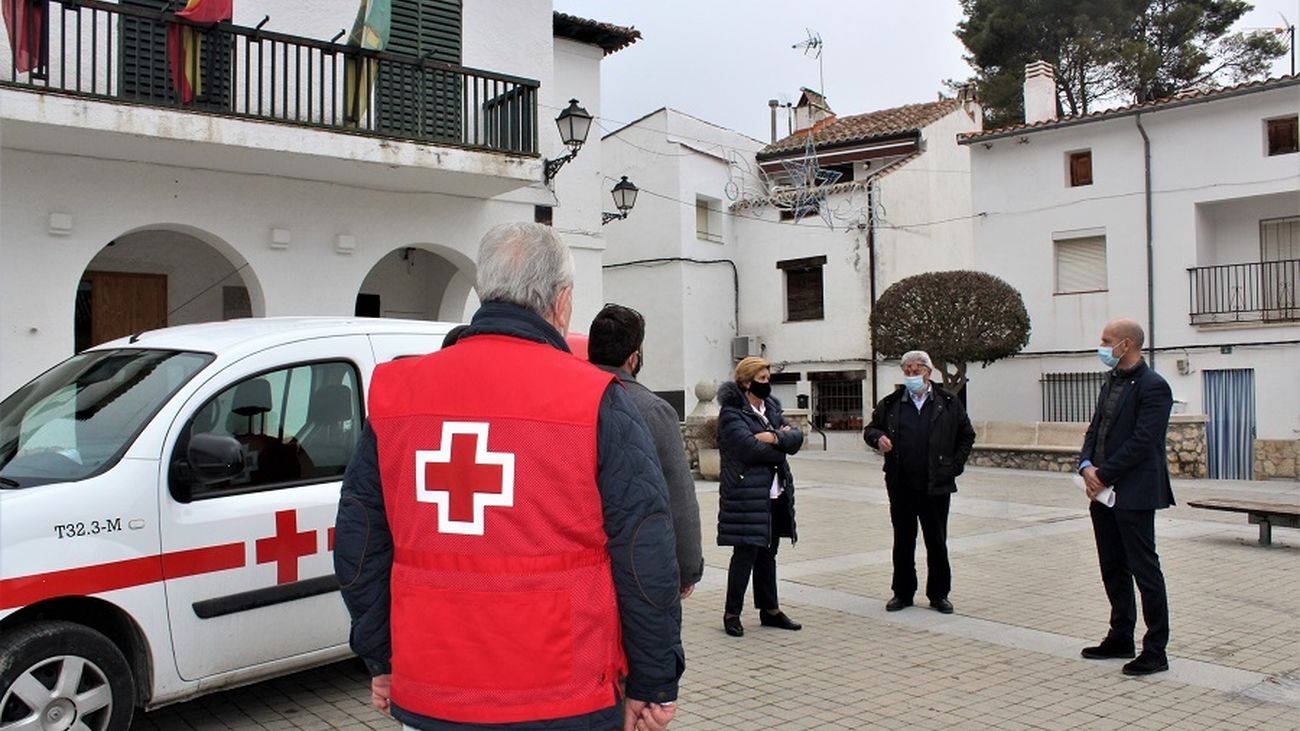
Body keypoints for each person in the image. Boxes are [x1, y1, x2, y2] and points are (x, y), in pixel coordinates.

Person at [334, 222, 683, 731]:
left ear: (483, 291)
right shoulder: (598, 400)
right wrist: (654, 681)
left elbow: (359, 542)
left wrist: (382, 658)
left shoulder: (396, 394)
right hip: (564, 693)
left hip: (432, 685)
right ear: (563, 302)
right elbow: (644, 551)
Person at [1078, 318, 1175, 676]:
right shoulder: (1111, 381)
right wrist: (1086, 464)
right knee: (1112, 566)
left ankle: (1156, 649)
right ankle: (1120, 636)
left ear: (1127, 344)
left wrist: (1103, 474)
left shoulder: (1154, 387)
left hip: (1132, 492)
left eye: (1107, 340)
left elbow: (1142, 441)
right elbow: (1096, 428)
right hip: (1101, 491)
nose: (1101, 346)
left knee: (1144, 569)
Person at [588, 304, 705, 598]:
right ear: (634, 356)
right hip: (639, 565)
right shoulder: (654, 410)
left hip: (580, 562)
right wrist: (687, 567)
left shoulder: (564, 399)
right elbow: (678, 493)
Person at [863, 351, 975, 615]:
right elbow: (870, 429)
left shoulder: (948, 402)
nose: (912, 375)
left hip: (935, 484)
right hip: (901, 483)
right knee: (903, 540)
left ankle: (939, 594)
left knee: (936, 541)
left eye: (917, 370)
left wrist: (954, 466)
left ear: (929, 372)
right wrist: (877, 438)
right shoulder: (891, 403)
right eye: (908, 370)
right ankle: (902, 592)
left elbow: (966, 434)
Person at [716, 356, 803, 637]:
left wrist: (773, 437)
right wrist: (780, 440)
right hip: (746, 493)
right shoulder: (732, 414)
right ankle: (732, 612)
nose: (767, 384)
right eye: (762, 379)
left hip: (774, 492)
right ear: (746, 382)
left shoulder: (772, 407)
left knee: (769, 552)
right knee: (745, 552)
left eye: (768, 379)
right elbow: (748, 449)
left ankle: (770, 609)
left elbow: (797, 437)